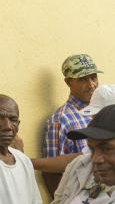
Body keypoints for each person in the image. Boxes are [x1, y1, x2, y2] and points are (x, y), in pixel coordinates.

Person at [43, 54, 102, 194]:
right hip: (81, 202)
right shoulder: (61, 120)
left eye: (93, 78)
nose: (91, 85)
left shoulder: (103, 111)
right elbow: (51, 172)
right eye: (83, 79)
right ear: (68, 82)